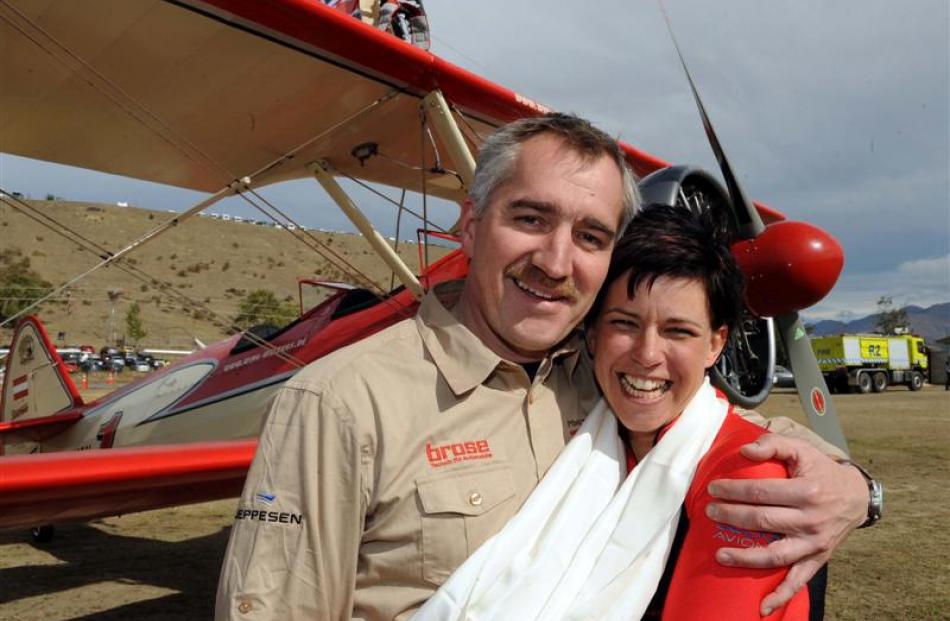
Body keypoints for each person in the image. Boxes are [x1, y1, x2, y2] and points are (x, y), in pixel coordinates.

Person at [216, 113, 872, 620]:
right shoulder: (340, 400)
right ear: (470, 226)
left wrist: (854, 488)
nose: (556, 262)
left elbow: (730, 432)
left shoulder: (606, 373)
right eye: (530, 218)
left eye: (590, 236)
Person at [414, 204, 812, 620]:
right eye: (624, 324)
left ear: (715, 345)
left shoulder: (748, 474)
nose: (647, 354)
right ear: (591, 335)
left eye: (678, 331)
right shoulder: (578, 428)